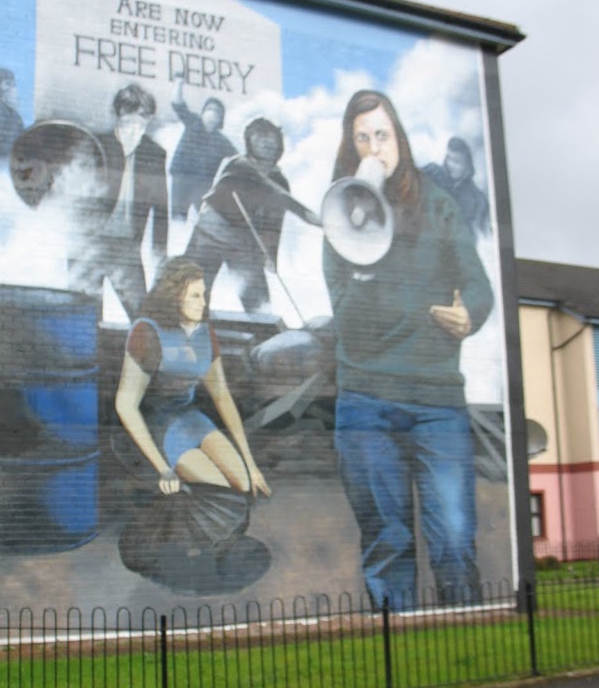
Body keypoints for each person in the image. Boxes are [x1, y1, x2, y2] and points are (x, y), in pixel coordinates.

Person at [323, 90, 494, 608]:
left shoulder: (439, 205)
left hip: (437, 403)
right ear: (351, 149)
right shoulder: (342, 214)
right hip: (366, 403)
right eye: (362, 139)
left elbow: (478, 282)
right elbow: (349, 324)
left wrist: (471, 314)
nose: (375, 148)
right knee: (387, 542)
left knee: (455, 543)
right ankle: (397, 656)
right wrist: (364, 246)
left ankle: (462, 656)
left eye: (382, 135)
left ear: (398, 137)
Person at [115, 257, 271, 498]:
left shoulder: (205, 334)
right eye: (195, 296)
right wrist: (164, 469)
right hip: (157, 425)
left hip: (190, 418)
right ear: (174, 296)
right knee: (219, 490)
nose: (203, 303)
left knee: (244, 484)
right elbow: (125, 404)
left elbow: (222, 397)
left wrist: (251, 464)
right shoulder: (146, 333)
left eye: (204, 295)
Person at [185, 118, 320, 313]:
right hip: (210, 234)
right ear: (250, 141)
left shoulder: (280, 180)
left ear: (279, 144)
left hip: (244, 242)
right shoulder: (239, 164)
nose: (266, 143)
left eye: (271, 138)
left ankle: (264, 337)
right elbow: (279, 195)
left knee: (259, 303)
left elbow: (274, 223)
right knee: (193, 292)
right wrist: (307, 214)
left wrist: (270, 256)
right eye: (260, 137)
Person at [75, 84, 169, 318]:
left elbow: (162, 206)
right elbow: (77, 194)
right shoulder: (98, 145)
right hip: (90, 244)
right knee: (83, 316)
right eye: (128, 121)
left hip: (126, 248)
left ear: (149, 121)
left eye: (141, 122)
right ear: (117, 115)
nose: (134, 129)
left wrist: (160, 252)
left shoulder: (154, 153)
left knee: (143, 321)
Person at [168, 74, 237, 223]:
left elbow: (238, 159)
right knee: (178, 217)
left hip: (203, 184)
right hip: (181, 177)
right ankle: (178, 238)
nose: (213, 113)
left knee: (207, 217)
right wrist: (179, 82)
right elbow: (177, 103)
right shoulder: (193, 122)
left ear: (221, 119)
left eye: (217, 111)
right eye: (210, 109)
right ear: (203, 111)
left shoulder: (222, 141)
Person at [423, 136, 491, 241]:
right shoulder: (432, 173)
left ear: (467, 165)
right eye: (449, 158)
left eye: (456, 161)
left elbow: (485, 237)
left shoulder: (477, 199)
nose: (450, 165)